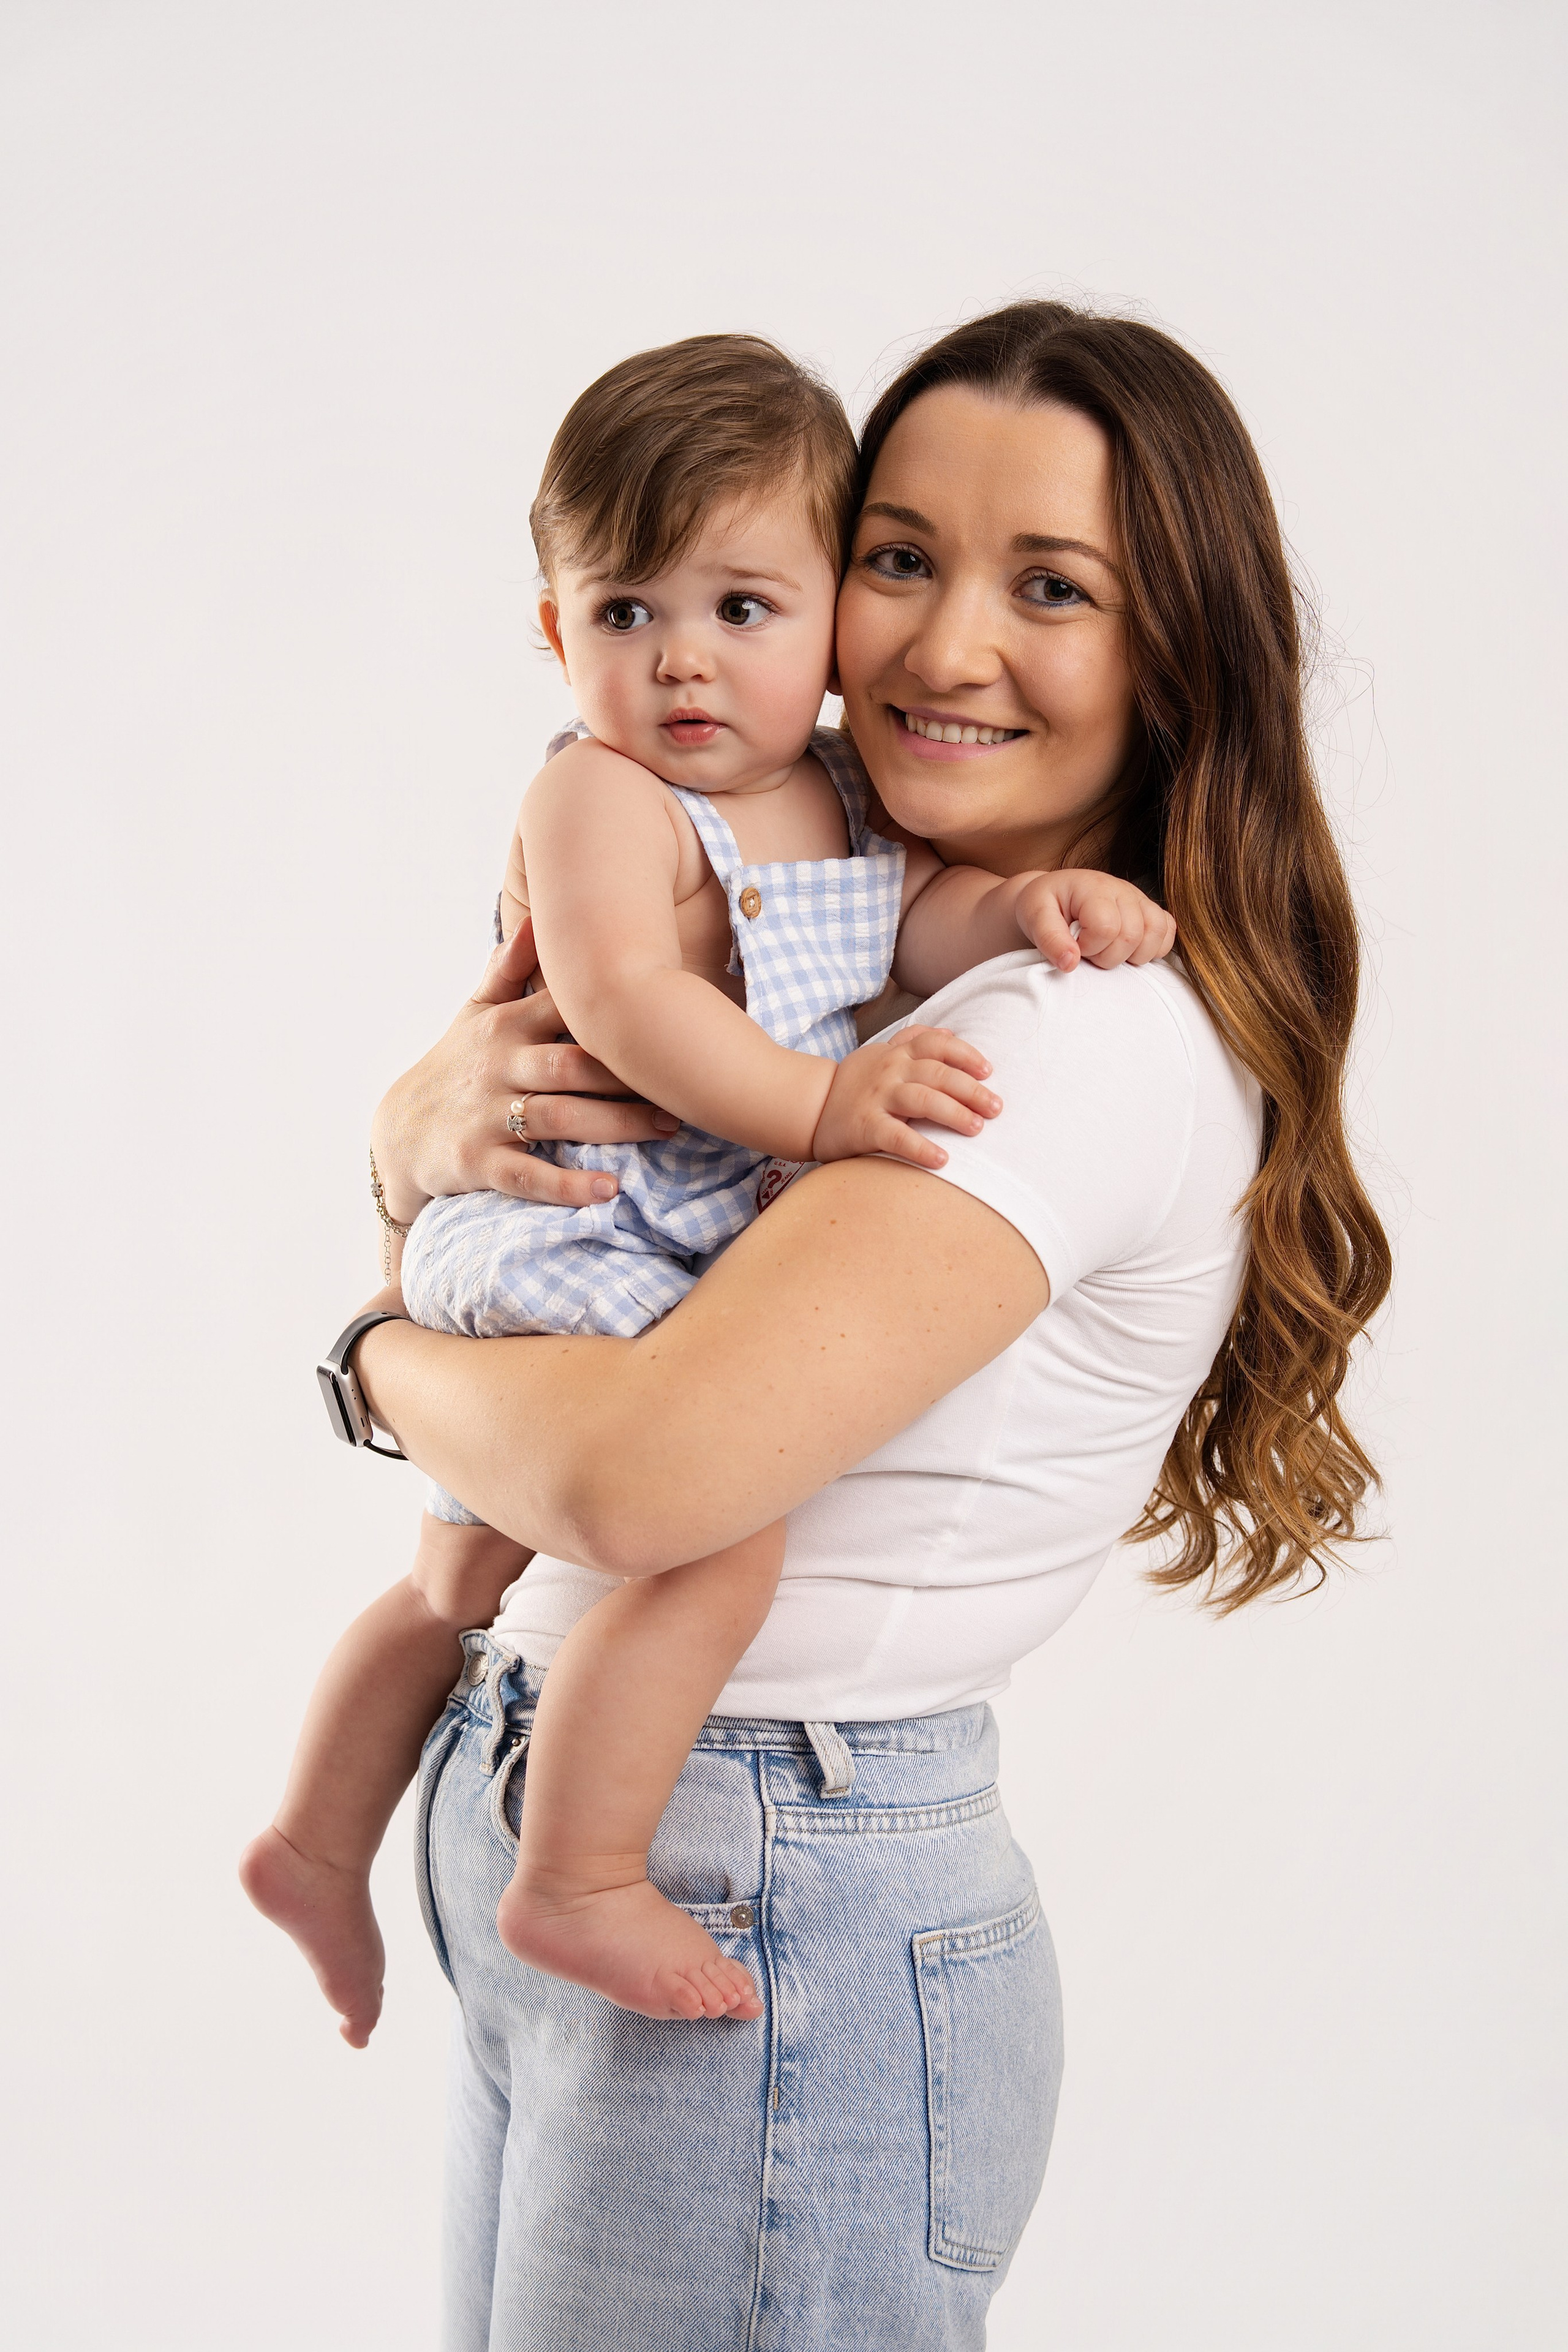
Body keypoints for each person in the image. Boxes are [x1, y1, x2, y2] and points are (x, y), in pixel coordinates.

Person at [337, 301, 1392, 2352]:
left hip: (767, 1871)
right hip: (633, 1827)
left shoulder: (1062, 1038)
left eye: (1052, 588)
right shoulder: (827, 924)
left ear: (1177, 655)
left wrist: (371, 1341)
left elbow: (644, 1479)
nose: (937, 645)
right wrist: (413, 1138)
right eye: (900, 556)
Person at [240, 336, 1174, 2041]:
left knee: (459, 1586)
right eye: (626, 617)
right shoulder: (600, 792)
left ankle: (314, 1839)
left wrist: (1042, 911)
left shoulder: (836, 800)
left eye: (742, 612)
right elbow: (626, 1005)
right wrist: (822, 1105)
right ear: (555, 632)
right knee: (711, 1553)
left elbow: (918, 924)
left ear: (814, 626)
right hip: (588, 1220)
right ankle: (575, 1874)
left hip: (777, 1756)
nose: (682, 665)